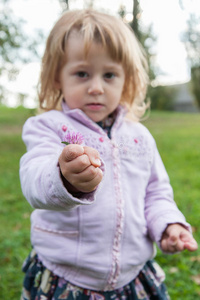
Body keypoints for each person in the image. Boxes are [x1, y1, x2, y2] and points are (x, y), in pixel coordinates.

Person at [20, 9, 198, 300]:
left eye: (110, 75)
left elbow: (155, 192)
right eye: (82, 73)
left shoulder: (140, 136)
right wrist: (63, 176)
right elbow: (34, 179)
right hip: (68, 277)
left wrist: (168, 224)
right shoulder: (48, 128)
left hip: (132, 275)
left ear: (126, 79)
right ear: (56, 78)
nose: (96, 88)